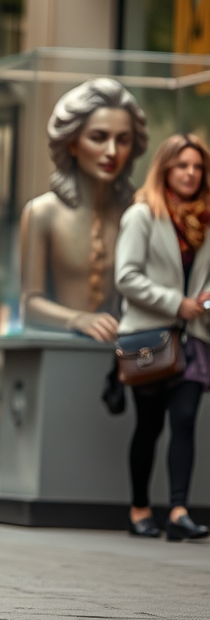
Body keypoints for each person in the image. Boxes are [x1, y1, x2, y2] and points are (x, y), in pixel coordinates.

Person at [116, 134, 210, 542]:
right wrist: (177, 303)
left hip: (195, 337)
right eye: (182, 165)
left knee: (186, 421)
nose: (190, 173)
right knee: (150, 426)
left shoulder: (208, 217)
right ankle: (139, 508)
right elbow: (126, 276)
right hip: (150, 339)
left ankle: (178, 510)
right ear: (166, 168)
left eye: (197, 166)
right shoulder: (142, 215)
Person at [20, 79, 148, 341]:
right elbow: (30, 304)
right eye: (98, 138)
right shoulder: (42, 213)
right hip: (61, 351)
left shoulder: (138, 213)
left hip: (127, 356)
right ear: (72, 143)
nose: (111, 152)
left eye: (122, 140)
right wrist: (76, 319)